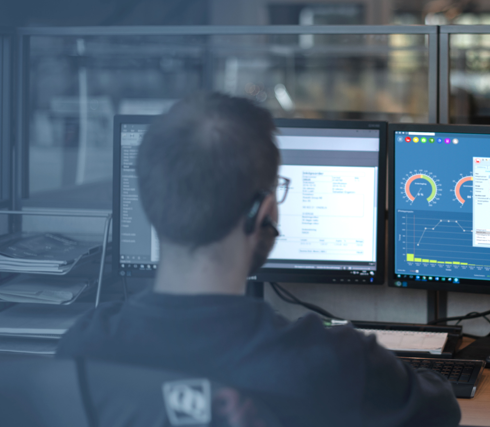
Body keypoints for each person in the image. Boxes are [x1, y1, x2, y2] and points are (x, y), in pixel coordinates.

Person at [57, 92, 461, 426]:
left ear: (147, 205)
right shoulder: (338, 361)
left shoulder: (85, 348)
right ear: (264, 213)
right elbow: (443, 412)